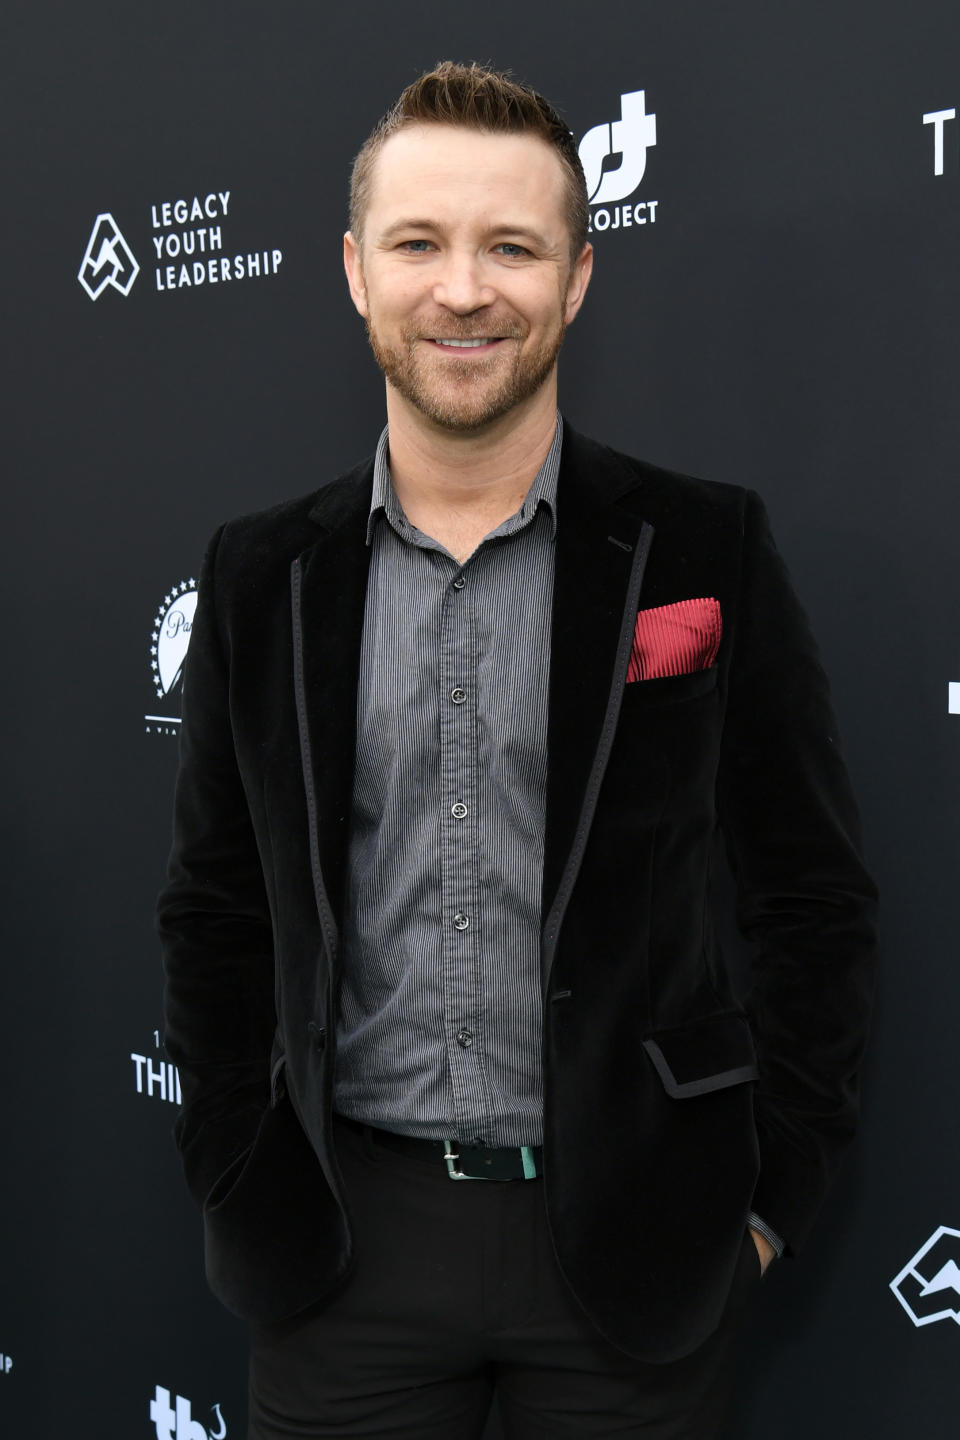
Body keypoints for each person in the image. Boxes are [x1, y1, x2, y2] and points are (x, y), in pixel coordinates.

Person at [158, 61, 877, 1440]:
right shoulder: (260, 575)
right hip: (337, 1253)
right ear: (357, 272)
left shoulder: (706, 546)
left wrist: (770, 1209)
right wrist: (231, 1162)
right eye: (421, 244)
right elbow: (213, 903)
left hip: (636, 1249)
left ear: (578, 278)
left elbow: (814, 899)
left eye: (512, 246)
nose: (465, 289)